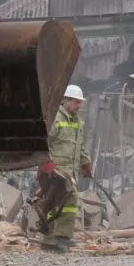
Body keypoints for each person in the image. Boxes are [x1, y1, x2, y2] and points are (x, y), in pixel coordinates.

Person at [42, 84, 92, 253]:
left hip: (69, 171)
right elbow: (43, 143)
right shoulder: (55, 119)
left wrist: (85, 163)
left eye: (80, 103)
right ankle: (52, 238)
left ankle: (62, 236)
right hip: (56, 170)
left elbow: (80, 146)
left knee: (69, 203)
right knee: (57, 203)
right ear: (66, 100)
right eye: (76, 102)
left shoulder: (77, 122)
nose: (79, 106)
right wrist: (47, 165)